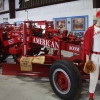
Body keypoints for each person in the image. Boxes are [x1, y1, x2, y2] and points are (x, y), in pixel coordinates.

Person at [82, 10, 100, 100]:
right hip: (94, 56)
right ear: (97, 17)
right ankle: (91, 97)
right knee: (93, 77)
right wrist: (87, 59)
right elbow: (87, 45)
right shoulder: (90, 30)